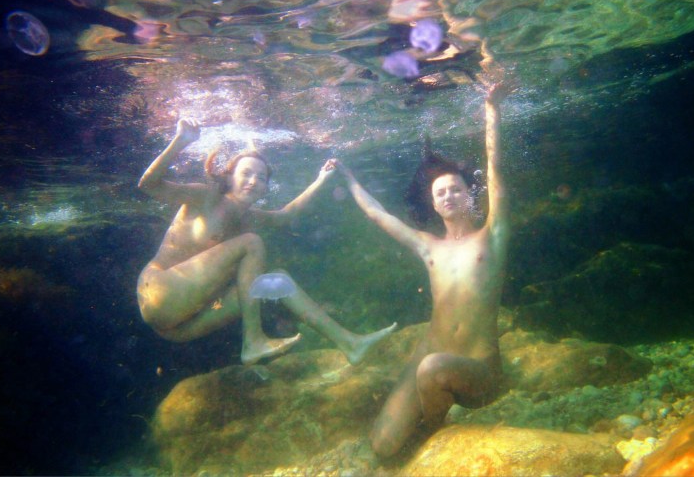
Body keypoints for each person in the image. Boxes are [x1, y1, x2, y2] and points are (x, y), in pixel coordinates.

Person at [334, 74, 511, 457]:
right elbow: (379, 215)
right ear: (433, 204)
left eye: (456, 189)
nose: (448, 195)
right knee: (382, 446)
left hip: (479, 366)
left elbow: (495, 171)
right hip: (431, 350)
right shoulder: (429, 247)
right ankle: (426, 424)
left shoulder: (491, 237)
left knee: (432, 368)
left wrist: (491, 109)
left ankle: (436, 441)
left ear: (470, 195)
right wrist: (348, 179)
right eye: (440, 192)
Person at [137, 118, 396, 365]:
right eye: (246, 173)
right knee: (251, 243)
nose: (253, 181)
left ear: (265, 188)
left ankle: (349, 343)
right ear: (229, 177)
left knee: (277, 280)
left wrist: (321, 179)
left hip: (179, 327)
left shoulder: (250, 217)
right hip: (159, 292)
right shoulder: (206, 196)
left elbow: (286, 215)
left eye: (261, 178)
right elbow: (149, 185)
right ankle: (254, 340)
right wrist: (181, 141)